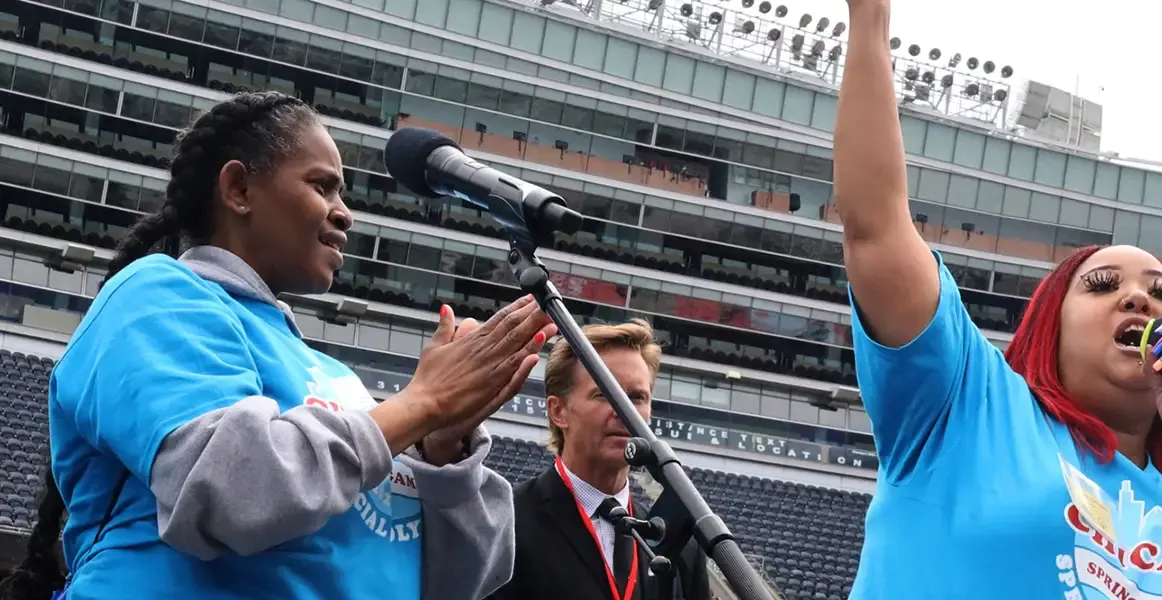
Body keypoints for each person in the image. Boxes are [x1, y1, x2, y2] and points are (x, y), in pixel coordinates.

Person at [0, 92, 553, 600]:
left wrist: (442, 448)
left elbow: (463, 581)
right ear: (239, 189)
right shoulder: (155, 295)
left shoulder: (340, 380)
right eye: (322, 186)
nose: (345, 213)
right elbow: (233, 495)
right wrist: (422, 404)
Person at [834, 1, 1162, 598]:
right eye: (1103, 286)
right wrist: (871, 18)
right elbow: (875, 225)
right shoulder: (970, 403)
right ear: (1050, 327)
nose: (1139, 298)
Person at [491, 321, 712, 600]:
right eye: (604, 394)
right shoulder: (505, 523)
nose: (624, 411)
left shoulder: (681, 546)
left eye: (637, 397)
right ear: (558, 411)